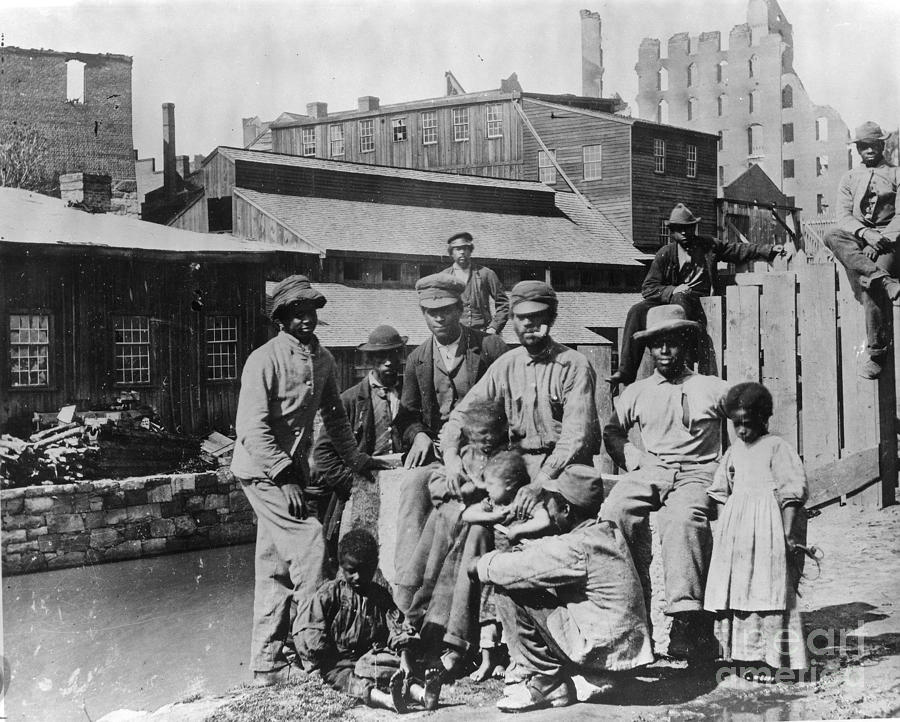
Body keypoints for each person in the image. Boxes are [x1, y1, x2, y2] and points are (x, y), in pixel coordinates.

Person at [231, 275, 388, 686]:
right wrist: (285, 477)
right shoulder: (263, 359)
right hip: (262, 470)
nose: (305, 321)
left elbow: (335, 417)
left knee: (274, 568)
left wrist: (359, 460)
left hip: (287, 472)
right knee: (311, 544)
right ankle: (312, 653)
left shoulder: (324, 360)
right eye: (295, 315)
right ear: (281, 320)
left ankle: (266, 666)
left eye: (310, 313)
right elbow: (250, 427)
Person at [601, 304, 729, 661]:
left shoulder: (712, 388)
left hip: (697, 472)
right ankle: (624, 617)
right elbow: (612, 431)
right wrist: (633, 457)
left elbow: (745, 424)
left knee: (683, 520)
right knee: (614, 511)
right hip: (652, 470)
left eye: (672, 343)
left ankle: (686, 623)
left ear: (685, 344)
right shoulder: (638, 392)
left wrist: (729, 470)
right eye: (657, 344)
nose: (664, 351)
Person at [471, 465, 654, 712]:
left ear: (566, 509)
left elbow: (520, 569)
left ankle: (546, 681)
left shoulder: (577, 547)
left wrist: (482, 564)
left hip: (600, 651)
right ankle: (593, 677)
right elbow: (550, 549)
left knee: (508, 585)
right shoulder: (603, 531)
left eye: (550, 503)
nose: (547, 508)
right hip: (621, 652)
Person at [393, 273, 507, 610]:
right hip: (439, 453)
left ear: (460, 309)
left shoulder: (487, 348)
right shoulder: (417, 359)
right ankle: (405, 587)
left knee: (465, 503)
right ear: (423, 315)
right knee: (413, 486)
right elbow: (406, 415)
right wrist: (420, 435)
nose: (439, 318)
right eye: (431, 312)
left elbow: (505, 403)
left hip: (482, 451)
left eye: (445, 310)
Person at [441, 279, 600, 506]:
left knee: (548, 514)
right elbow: (462, 415)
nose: (528, 323)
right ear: (512, 320)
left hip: (563, 471)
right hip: (518, 465)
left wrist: (540, 483)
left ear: (551, 318)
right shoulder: (505, 365)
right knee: (457, 499)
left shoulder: (574, 365)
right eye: (521, 317)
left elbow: (576, 438)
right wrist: (451, 458)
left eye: (537, 315)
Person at [608, 203, 785, 388]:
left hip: (698, 303)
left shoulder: (708, 246)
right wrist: (672, 290)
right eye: (679, 229)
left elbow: (737, 250)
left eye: (688, 228)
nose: (684, 233)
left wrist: (769, 250)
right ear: (672, 232)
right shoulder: (665, 254)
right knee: (636, 310)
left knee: (681, 300)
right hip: (672, 299)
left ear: (694, 228)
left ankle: (682, 361)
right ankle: (625, 372)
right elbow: (648, 288)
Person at [704, 383, 809, 682]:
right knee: (737, 589)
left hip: (767, 530)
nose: (741, 431)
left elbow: (792, 493)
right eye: (736, 425)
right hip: (736, 533)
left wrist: (789, 534)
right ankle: (740, 658)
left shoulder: (777, 447)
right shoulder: (734, 451)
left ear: (764, 420)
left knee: (767, 589)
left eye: (748, 425)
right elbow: (721, 491)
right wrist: (724, 534)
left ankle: (771, 660)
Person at [400, 398, 511, 679]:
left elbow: (502, 496)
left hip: (489, 526)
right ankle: (420, 624)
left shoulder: (505, 460)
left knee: (468, 535)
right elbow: (437, 484)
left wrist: (475, 493)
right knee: (442, 523)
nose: (485, 441)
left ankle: (453, 640)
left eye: (490, 434)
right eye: (478, 435)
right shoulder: (464, 456)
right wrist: (454, 484)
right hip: (461, 519)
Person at [296, 529, 442, 712]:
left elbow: (396, 625)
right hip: (340, 661)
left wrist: (405, 656)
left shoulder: (379, 595)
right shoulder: (329, 594)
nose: (357, 577)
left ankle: (421, 694)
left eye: (364, 570)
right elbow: (312, 628)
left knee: (398, 667)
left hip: (372, 657)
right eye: (351, 571)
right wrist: (321, 660)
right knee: (344, 678)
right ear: (341, 566)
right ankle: (386, 699)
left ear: (374, 567)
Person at [310, 324, 407, 566]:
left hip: (403, 487)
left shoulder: (409, 394)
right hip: (364, 486)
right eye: (381, 357)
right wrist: (351, 483)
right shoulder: (351, 399)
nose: (388, 363)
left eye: (393, 355)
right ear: (371, 360)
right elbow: (322, 453)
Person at [461, 449, 553, 683]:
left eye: (491, 483)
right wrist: (493, 517)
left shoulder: (523, 501)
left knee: (512, 616)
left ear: (510, 484)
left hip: (519, 569)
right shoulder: (493, 503)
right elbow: (468, 514)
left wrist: (519, 529)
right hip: (497, 569)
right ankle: (487, 661)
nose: (486, 489)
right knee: (489, 615)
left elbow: (544, 519)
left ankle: (514, 660)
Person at [824, 121, 900, 379]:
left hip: (890, 240)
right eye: (863, 146)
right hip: (860, 236)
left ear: (882, 145)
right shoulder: (848, 178)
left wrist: (881, 238)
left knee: (868, 284)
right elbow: (843, 215)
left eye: (873, 145)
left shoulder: (896, 174)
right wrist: (865, 234)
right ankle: (884, 279)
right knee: (831, 233)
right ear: (857, 150)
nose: (868, 150)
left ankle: (877, 352)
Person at [442, 231, 510, 334]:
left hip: (483, 333)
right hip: (455, 335)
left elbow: (503, 303)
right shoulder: (444, 277)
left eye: (465, 248)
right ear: (451, 252)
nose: (462, 252)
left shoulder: (486, 274)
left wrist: (494, 327)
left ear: (470, 251)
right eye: (458, 249)